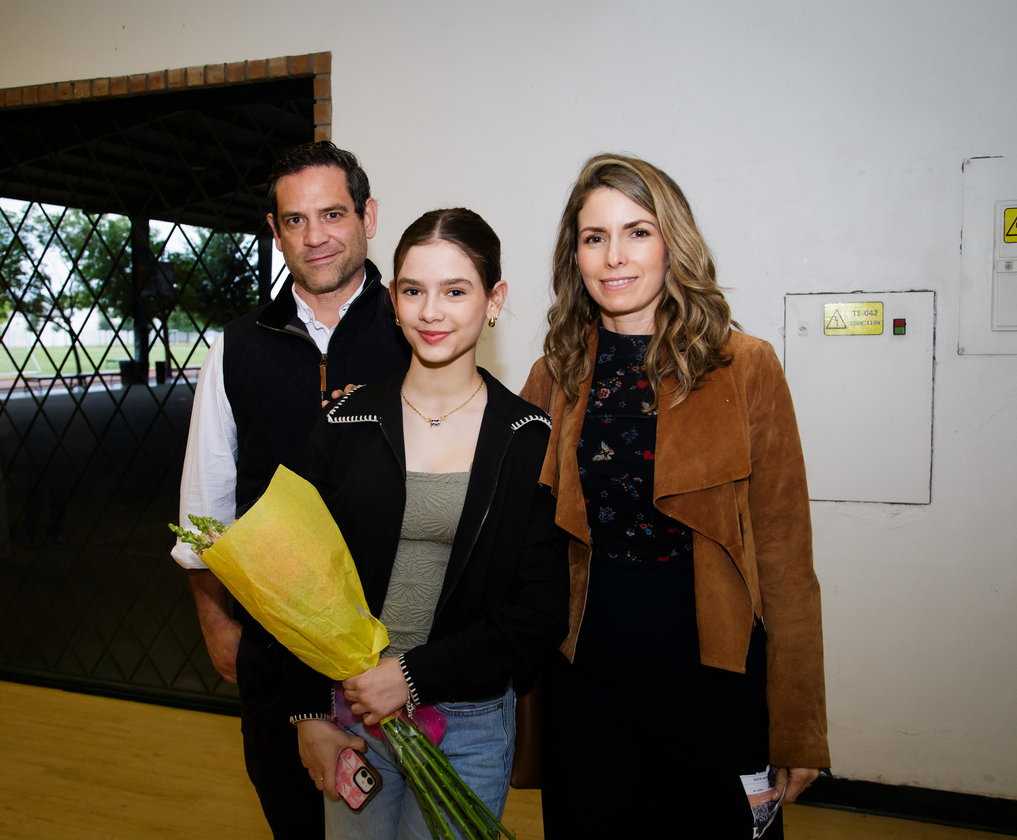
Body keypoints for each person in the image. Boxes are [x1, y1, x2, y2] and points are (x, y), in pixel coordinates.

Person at [520, 154, 830, 837]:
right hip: (585, 677)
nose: (614, 256)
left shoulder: (744, 366)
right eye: (594, 237)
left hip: (717, 679)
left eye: (637, 231)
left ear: (673, 244)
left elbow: (785, 560)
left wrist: (798, 723)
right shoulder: (555, 374)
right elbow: (516, 527)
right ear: (575, 255)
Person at [286, 208, 570, 838]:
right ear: (393, 300)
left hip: (467, 723)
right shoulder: (345, 422)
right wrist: (309, 713)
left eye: (456, 291)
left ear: (494, 299)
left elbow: (541, 609)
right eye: (414, 291)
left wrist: (412, 676)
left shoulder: (528, 438)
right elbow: (298, 580)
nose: (431, 312)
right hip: (352, 714)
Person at [171, 141, 411, 839]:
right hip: (277, 657)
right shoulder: (236, 348)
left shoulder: (417, 329)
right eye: (295, 220)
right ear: (274, 231)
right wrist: (216, 622)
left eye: (333, 214)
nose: (315, 236)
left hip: (397, 657)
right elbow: (205, 508)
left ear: (367, 216)